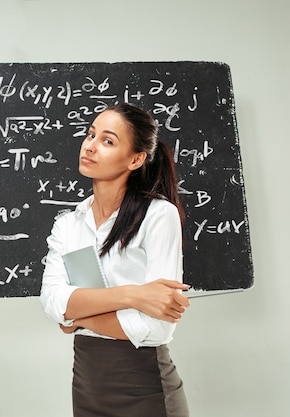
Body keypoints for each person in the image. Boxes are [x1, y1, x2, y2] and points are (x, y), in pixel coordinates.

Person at [40, 103, 191, 417]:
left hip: (145, 387)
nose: (91, 146)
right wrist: (133, 295)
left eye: (107, 141)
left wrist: (79, 317)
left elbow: (157, 328)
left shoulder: (158, 215)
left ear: (136, 159)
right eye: (91, 135)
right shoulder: (68, 225)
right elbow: (53, 301)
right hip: (86, 388)